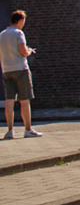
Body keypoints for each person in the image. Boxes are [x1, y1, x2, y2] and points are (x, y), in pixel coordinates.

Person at [2, 10, 41, 138]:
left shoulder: (2, 34)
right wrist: (29, 51)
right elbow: (23, 51)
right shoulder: (19, 33)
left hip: (7, 70)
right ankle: (28, 129)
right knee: (24, 101)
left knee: (9, 100)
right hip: (20, 69)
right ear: (20, 20)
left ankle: (10, 130)